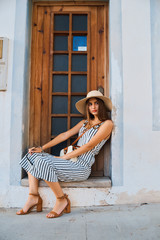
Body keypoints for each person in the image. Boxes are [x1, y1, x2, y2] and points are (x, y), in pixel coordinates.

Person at [16, 90, 113, 218]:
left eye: (96, 103)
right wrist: (42, 148)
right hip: (68, 163)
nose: (93, 107)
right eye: (90, 104)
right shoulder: (84, 123)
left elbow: (89, 146)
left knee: (41, 161)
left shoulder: (107, 124)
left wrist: (63, 157)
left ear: (102, 105)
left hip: (81, 167)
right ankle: (33, 196)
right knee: (31, 155)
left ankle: (61, 199)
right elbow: (64, 135)